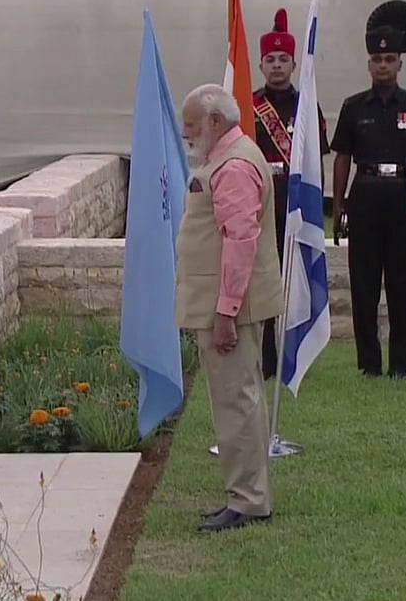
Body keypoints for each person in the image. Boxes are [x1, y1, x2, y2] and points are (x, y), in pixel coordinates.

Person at [174, 83, 284, 532]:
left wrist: (225, 314)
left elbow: (240, 242)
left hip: (230, 307)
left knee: (236, 401)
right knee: (241, 399)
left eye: (191, 125)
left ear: (215, 122)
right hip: (228, 302)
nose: (185, 133)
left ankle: (248, 500)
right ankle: (248, 494)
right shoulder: (227, 157)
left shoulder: (234, 165)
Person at [329, 0, 406, 379]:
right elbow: (342, 159)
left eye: (389, 59)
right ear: (368, 64)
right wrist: (338, 205)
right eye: (377, 60)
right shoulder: (353, 107)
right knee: (363, 287)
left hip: (403, 199)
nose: (383, 65)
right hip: (365, 198)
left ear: (399, 64)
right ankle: (369, 364)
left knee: (402, 286)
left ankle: (402, 365)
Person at [253, 7, 332, 382]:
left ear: (294, 64)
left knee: (294, 280)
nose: (277, 66)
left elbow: (316, 162)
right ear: (261, 65)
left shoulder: (306, 106)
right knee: (266, 281)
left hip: (295, 206)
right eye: (270, 59)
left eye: (283, 59)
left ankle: (293, 354)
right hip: (260, 205)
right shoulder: (248, 106)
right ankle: (267, 358)